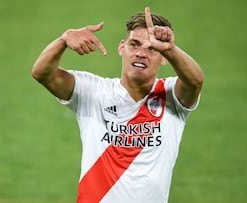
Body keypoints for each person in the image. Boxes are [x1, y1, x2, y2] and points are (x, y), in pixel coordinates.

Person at [32, 6, 203, 203]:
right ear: (122, 47)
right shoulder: (93, 92)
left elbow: (195, 81)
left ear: (163, 57)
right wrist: (63, 40)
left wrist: (171, 49)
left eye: (152, 49)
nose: (140, 53)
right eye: (134, 44)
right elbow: (42, 73)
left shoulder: (171, 95)